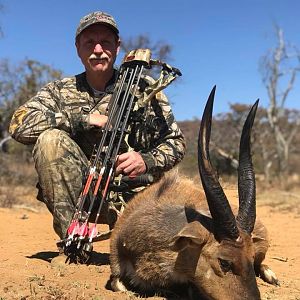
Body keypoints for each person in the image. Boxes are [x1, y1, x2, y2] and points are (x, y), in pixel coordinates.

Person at [9, 11, 186, 261]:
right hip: (82, 197)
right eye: (89, 42)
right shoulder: (59, 91)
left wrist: (146, 159)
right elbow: (19, 125)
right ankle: (73, 247)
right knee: (50, 141)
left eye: (106, 42)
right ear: (78, 48)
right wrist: (82, 120)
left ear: (117, 47)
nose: (98, 49)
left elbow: (176, 143)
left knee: (154, 259)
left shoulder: (145, 88)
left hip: (135, 196)